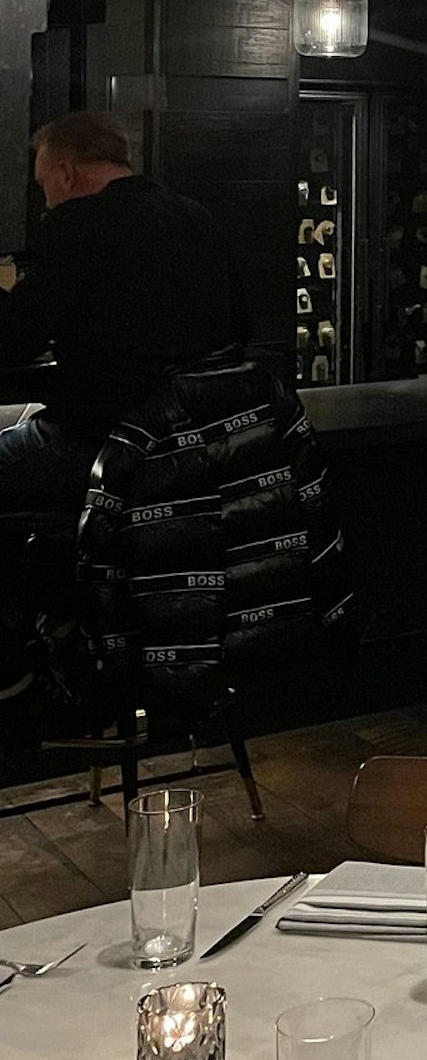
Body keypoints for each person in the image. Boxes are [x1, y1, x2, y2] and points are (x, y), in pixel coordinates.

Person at [0, 112, 250, 703]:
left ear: (65, 171)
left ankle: (13, 658)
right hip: (193, 459)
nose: (46, 200)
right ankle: (65, 621)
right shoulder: (197, 218)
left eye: (43, 186)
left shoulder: (78, 225)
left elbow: (14, 339)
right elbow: (238, 328)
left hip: (104, 449)